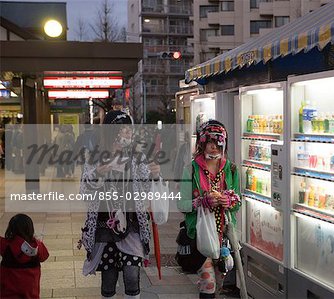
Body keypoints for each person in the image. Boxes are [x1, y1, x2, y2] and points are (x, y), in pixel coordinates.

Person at [79, 111, 161, 299]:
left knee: (132, 275)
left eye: (129, 129)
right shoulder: (95, 157)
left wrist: (154, 174)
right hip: (104, 225)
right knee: (109, 278)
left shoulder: (137, 157)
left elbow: (147, 188)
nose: (128, 133)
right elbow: (84, 192)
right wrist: (98, 173)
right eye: (123, 129)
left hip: (132, 224)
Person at [177, 120, 241, 298]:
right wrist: (201, 202)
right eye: (210, 143)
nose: (214, 147)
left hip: (224, 236)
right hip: (199, 235)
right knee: (208, 283)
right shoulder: (190, 169)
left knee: (219, 283)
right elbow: (181, 204)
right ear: (201, 143)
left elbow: (238, 202)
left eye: (218, 143)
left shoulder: (232, 169)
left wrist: (229, 201)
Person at [0, 213, 49, 299]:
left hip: (8, 293)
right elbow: (45, 256)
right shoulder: (37, 246)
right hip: (31, 293)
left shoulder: (5, 244)